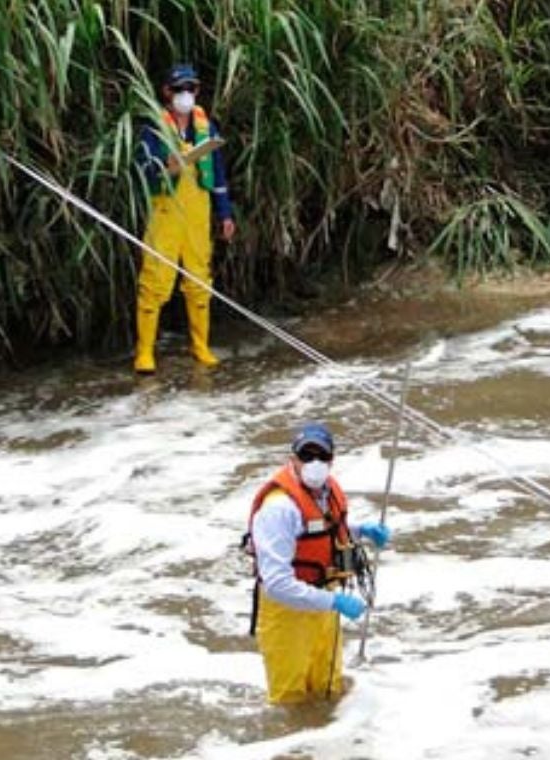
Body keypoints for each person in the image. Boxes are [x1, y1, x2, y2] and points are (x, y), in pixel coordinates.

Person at [245, 422, 392, 704]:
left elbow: (325, 530)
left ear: (331, 460)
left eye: (322, 456)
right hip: (288, 613)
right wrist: (334, 602)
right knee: (291, 702)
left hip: (323, 604)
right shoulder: (278, 509)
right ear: (293, 460)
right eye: (306, 455)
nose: (315, 463)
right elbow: (277, 584)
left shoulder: (327, 492)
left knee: (329, 688)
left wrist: (362, 531)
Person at [132, 62, 236, 374]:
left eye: (191, 88)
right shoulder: (153, 127)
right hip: (165, 210)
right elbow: (142, 169)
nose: (186, 94)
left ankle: (200, 346)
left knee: (199, 280)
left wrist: (225, 213)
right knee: (155, 281)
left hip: (198, 211)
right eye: (179, 89)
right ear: (166, 92)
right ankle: (145, 352)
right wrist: (167, 165)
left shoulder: (206, 126)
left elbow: (217, 172)